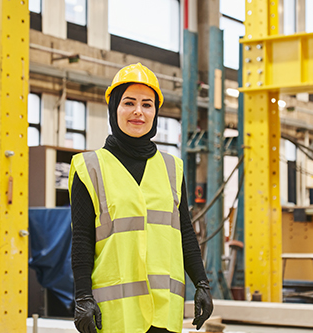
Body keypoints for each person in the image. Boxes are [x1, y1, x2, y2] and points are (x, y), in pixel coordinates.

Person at [69, 63, 213, 333]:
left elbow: (184, 232)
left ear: (155, 113)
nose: (138, 111)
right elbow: (82, 240)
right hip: (114, 314)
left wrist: (202, 283)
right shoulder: (89, 167)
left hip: (164, 312)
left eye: (147, 104)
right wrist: (82, 296)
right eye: (129, 102)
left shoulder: (172, 168)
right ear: (114, 108)